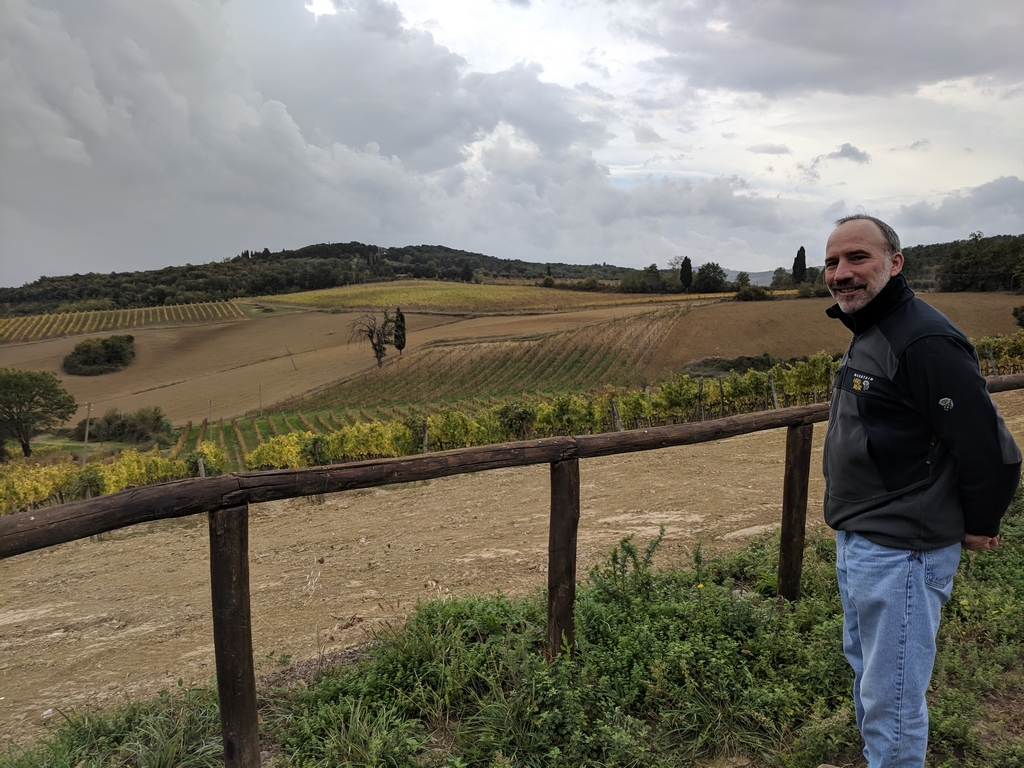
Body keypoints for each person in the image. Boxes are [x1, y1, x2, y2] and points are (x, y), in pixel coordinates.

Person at [818, 214, 1021, 768]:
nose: (841, 272)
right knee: (870, 678)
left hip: (903, 549)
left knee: (895, 698)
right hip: (866, 539)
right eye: (832, 262)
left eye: (857, 257)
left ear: (895, 262)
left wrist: (980, 524)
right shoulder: (875, 330)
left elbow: (992, 449)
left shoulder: (923, 339)